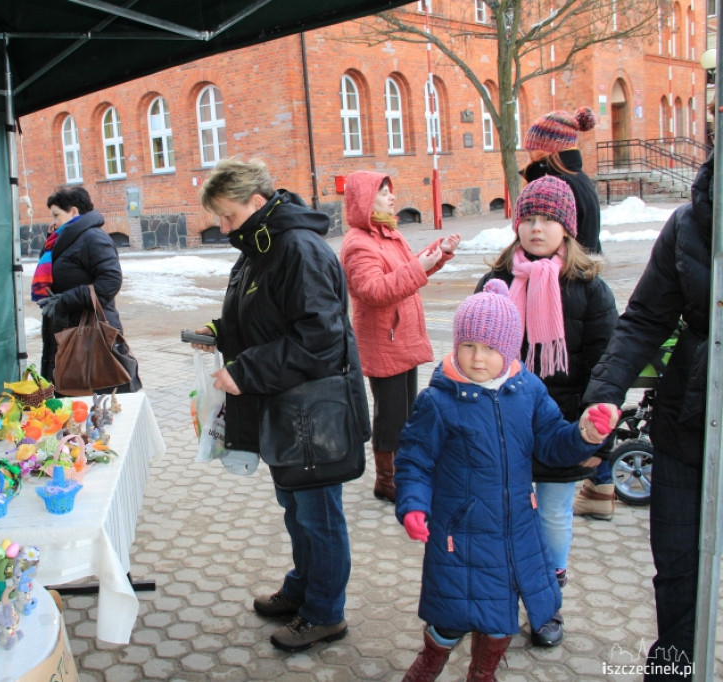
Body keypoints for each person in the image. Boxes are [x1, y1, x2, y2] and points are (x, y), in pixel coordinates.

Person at [395, 279, 616, 682]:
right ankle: (430, 662)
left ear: (510, 349)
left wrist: (583, 434)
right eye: (469, 346)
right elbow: (414, 462)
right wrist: (412, 505)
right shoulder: (439, 400)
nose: (478, 359)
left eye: (491, 348)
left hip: (515, 530)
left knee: (500, 616)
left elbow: (551, 444)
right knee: (452, 615)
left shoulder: (528, 390)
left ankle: (483, 673)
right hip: (460, 532)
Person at [189, 158, 362, 652]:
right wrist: (220, 333)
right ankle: (304, 588)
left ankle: (326, 613)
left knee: (318, 516)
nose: (222, 228)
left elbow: (320, 340)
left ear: (256, 203)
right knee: (296, 507)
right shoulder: (259, 245)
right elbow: (264, 317)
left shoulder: (296, 249)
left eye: (226, 216)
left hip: (315, 410)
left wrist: (246, 371)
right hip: (288, 409)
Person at [583, 152, 713, 680]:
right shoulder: (689, 224)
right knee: (678, 565)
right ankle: (673, 670)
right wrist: (606, 392)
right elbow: (643, 320)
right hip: (688, 423)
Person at [476, 175, 618, 647]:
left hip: (564, 427)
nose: (536, 228)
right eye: (528, 218)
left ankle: (546, 605)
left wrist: (599, 440)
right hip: (504, 425)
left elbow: (606, 368)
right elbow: (470, 356)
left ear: (568, 228)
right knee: (508, 515)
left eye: (548, 219)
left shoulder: (590, 288)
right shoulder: (495, 281)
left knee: (554, 514)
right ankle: (503, 598)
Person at [339, 171, 459, 502]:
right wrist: (422, 267)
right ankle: (387, 480)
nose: (392, 198)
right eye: (383, 193)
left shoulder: (388, 233)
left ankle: (404, 470)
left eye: (391, 192)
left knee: (406, 412)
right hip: (384, 341)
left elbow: (408, 269)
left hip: (401, 336)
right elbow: (374, 291)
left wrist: (437, 254)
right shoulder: (358, 244)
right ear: (365, 201)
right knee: (391, 416)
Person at [30, 185, 141, 394]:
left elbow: (110, 281)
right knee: (69, 396)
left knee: (92, 395)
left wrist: (65, 300)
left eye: (56, 215)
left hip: (89, 334)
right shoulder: (63, 239)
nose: (53, 221)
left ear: (73, 211)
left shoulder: (93, 238)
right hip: (66, 331)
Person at [522, 106, 602, 254]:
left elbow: (542, 244)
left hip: (561, 271)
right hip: (584, 267)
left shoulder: (556, 186)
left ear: (545, 150)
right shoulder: (578, 178)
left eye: (532, 150)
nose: (529, 156)